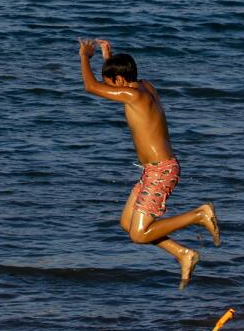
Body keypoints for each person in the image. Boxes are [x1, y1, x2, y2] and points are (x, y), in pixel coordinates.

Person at [78, 39, 220, 286]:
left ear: (120, 81)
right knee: (127, 223)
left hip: (160, 172)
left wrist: (84, 56)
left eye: (110, 82)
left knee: (139, 234)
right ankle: (183, 254)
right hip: (154, 170)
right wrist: (108, 56)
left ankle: (199, 214)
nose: (108, 88)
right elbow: (113, 82)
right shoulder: (145, 87)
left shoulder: (131, 95)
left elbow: (90, 86)